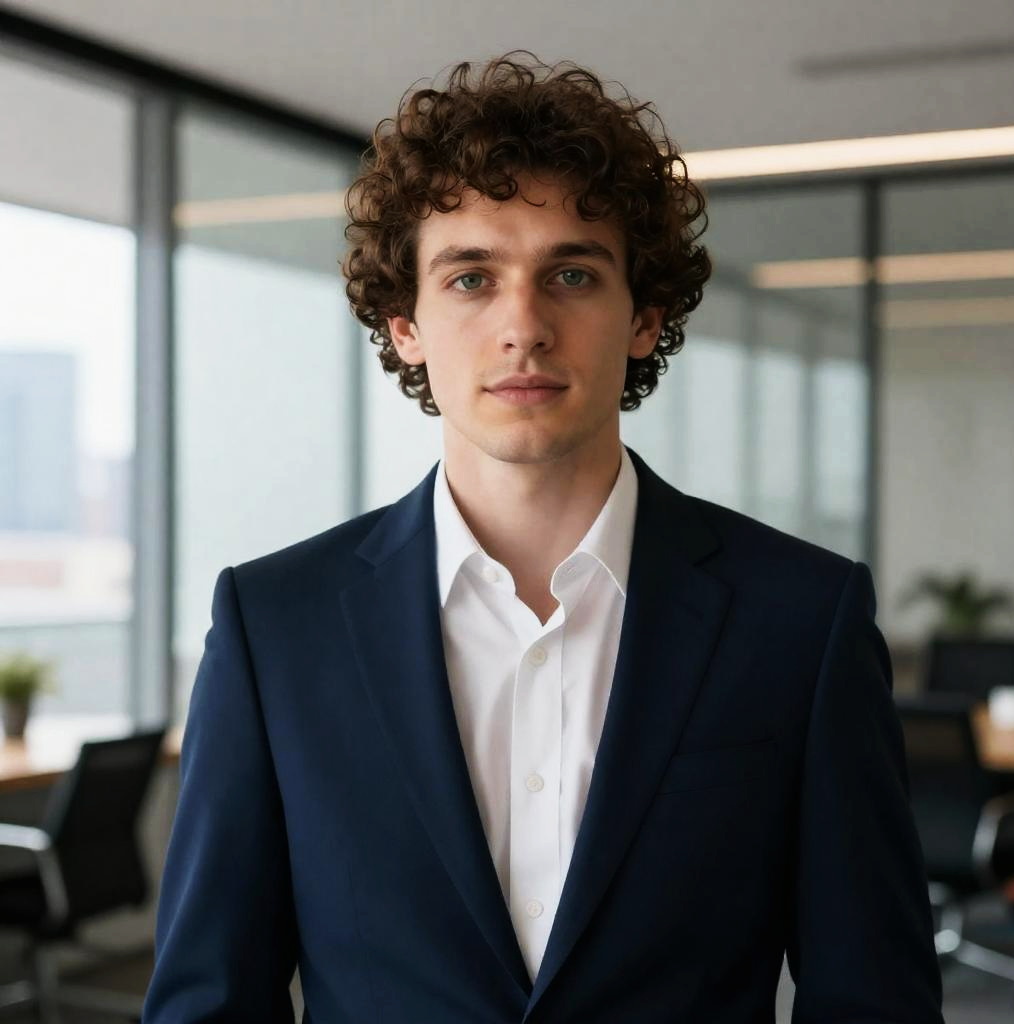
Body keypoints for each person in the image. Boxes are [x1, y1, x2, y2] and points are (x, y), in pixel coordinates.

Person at [143, 54, 944, 1023]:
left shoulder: (802, 619)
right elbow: (209, 1003)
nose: (523, 325)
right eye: (471, 278)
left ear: (643, 317)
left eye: (571, 274)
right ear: (404, 325)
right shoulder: (276, 627)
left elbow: (874, 999)